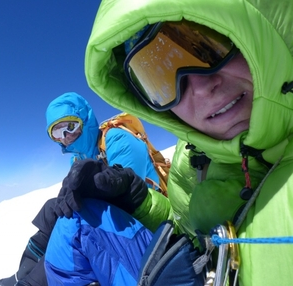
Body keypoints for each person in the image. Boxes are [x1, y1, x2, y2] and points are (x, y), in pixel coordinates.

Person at [44, 0, 293, 285]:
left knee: (73, 224)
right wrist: (134, 197)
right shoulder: (193, 157)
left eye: (206, 45)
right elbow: (186, 235)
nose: (200, 88)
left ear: (253, 31)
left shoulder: (116, 140)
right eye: (159, 79)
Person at [0, 92, 168, 286]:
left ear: (85, 120)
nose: (66, 137)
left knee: (75, 219)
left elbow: (124, 193)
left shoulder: (118, 139)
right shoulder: (77, 159)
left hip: (147, 223)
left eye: (70, 126)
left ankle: (33, 281)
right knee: (54, 208)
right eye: (57, 133)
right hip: (118, 225)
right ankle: (23, 274)